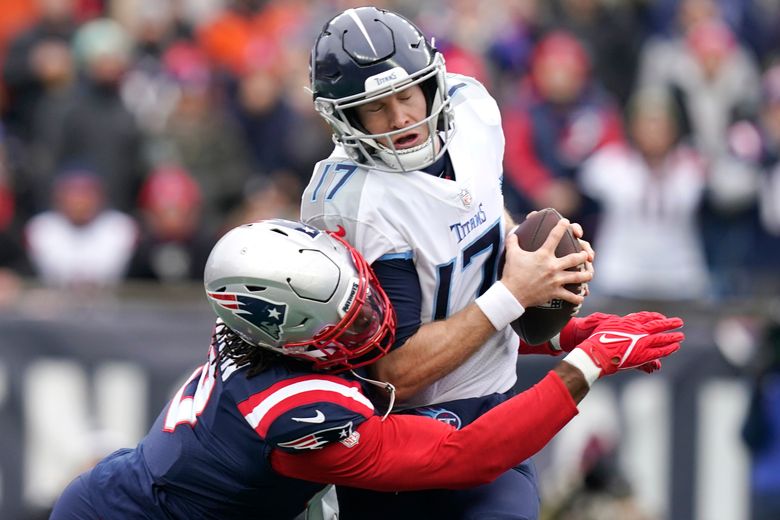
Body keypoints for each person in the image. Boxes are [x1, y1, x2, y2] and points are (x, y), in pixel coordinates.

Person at [49, 218, 684, 519]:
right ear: (295, 341)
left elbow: (371, 363)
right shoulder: (297, 417)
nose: (372, 320)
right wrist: (585, 365)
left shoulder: (270, 335)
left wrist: (562, 335)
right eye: (346, 321)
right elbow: (465, 455)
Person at [301, 7, 669, 518]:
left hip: (489, 412)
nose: (401, 118)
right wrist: (516, 292)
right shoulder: (353, 200)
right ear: (345, 118)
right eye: (376, 107)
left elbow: (478, 217)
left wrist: (536, 261)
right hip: (395, 442)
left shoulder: (472, 109)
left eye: (407, 95)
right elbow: (396, 374)